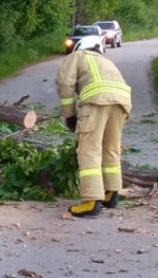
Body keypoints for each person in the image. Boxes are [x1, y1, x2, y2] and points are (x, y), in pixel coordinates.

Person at [55, 35, 132, 217]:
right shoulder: (106, 61)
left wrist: (70, 115)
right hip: (122, 104)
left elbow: (65, 84)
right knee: (111, 148)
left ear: (81, 46)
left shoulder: (78, 56)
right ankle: (111, 192)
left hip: (96, 103)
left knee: (89, 150)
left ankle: (91, 201)